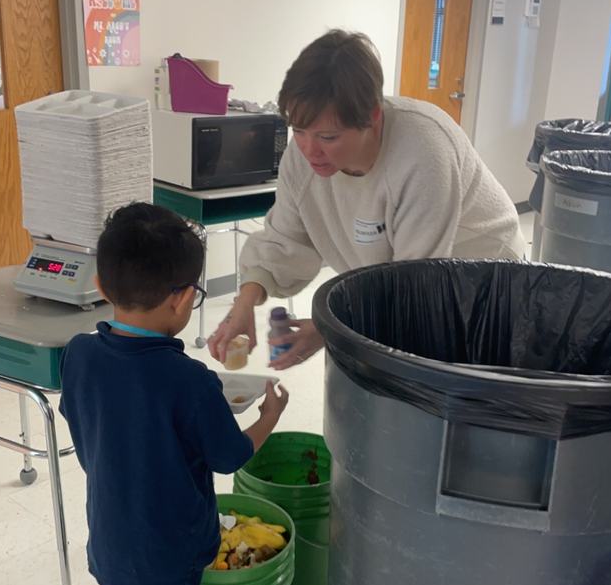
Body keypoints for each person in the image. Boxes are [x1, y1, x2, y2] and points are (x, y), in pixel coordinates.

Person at [60, 203, 288, 585]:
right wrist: (268, 416)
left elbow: (84, 429)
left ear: (101, 283)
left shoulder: (81, 355)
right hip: (172, 548)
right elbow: (230, 455)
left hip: (110, 532)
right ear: (184, 299)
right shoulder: (190, 380)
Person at [209, 29, 526, 370]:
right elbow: (285, 239)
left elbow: (414, 284)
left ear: (373, 117)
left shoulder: (423, 154)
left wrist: (326, 329)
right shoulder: (302, 160)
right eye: (298, 131)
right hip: (395, 285)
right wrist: (245, 301)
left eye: (328, 137)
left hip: (480, 283)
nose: (309, 150)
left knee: (446, 388)